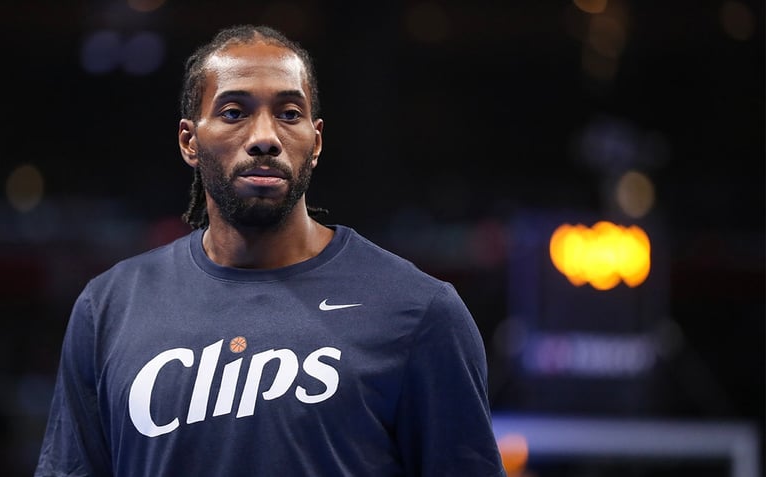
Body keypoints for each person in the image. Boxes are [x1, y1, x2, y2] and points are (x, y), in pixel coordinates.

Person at [34, 24, 506, 477]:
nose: (265, 137)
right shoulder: (110, 306)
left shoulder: (420, 311)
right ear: (189, 142)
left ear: (315, 141)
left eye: (289, 113)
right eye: (234, 112)